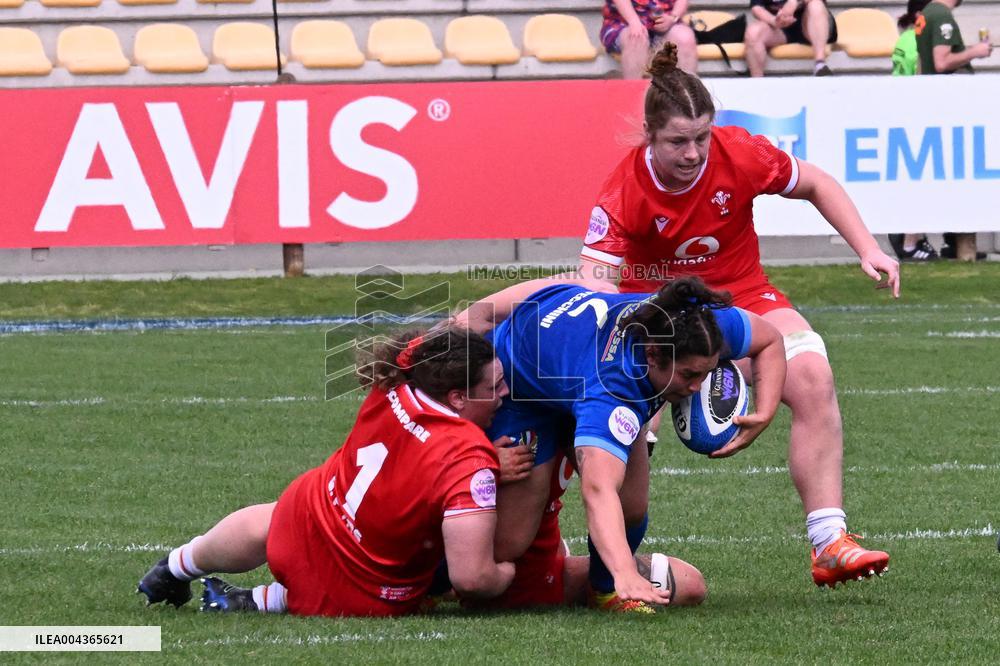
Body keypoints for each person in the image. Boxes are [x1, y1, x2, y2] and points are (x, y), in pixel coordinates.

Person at [579, 42, 899, 589]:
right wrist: (623, 343)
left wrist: (868, 248)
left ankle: (830, 543)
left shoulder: (741, 153)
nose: (693, 153)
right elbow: (595, 284)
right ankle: (610, 567)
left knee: (813, 374)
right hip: (658, 315)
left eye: (702, 137)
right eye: (677, 141)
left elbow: (816, 182)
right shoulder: (623, 190)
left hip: (743, 297)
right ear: (649, 135)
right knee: (630, 429)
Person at [454, 275, 787, 611]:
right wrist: (625, 570)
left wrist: (765, 411)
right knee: (509, 544)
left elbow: (770, 340)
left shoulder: (699, 325)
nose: (697, 388)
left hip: (572, 356)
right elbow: (598, 489)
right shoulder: (613, 389)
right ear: (653, 355)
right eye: (689, 375)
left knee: (632, 507)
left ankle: (603, 590)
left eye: (707, 373)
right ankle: (439, 577)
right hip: (523, 386)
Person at [137, 327, 518, 617]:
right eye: (495, 385)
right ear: (457, 397)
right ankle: (256, 600)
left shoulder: (397, 381)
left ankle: (176, 566)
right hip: (362, 584)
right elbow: (472, 578)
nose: (504, 393)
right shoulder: (467, 457)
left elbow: (415, 457)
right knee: (424, 571)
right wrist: (508, 572)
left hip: (312, 510)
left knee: (269, 519)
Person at [915, 0, 992, 261]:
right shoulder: (941, 14)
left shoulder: (927, 13)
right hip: (952, 106)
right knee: (964, 171)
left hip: (938, 105)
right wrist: (975, 52)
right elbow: (942, 61)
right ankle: (964, 248)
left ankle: (956, 242)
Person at [888, 0, 940, 263]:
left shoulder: (905, 37)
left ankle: (911, 236)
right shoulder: (917, 38)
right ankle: (911, 240)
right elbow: (920, 72)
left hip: (902, 107)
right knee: (921, 177)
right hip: (915, 109)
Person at [601, 0, 699, 79]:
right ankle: (633, 93)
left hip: (666, 20)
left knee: (685, 38)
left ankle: (688, 93)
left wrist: (673, 17)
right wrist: (634, 21)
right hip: (625, 21)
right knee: (636, 38)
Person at [743, 0, 838, 76]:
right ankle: (758, 84)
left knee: (816, 5)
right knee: (753, 33)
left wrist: (794, 2)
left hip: (810, 23)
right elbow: (756, 7)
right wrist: (773, 21)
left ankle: (820, 65)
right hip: (780, 26)